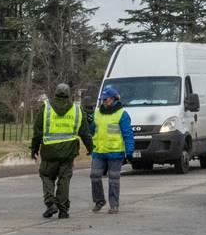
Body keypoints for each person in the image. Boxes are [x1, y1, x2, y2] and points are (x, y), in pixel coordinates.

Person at [31, 83, 94, 219]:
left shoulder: (46, 108)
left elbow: (37, 132)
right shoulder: (77, 110)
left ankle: (50, 203)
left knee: (47, 176)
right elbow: (85, 132)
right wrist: (90, 148)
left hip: (49, 151)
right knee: (64, 180)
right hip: (68, 151)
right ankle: (63, 210)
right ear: (69, 95)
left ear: (55, 94)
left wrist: (34, 149)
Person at [91, 86, 134, 214]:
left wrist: (130, 151)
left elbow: (128, 134)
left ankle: (114, 205)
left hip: (115, 152)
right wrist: (89, 123)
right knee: (94, 176)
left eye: (106, 99)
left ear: (114, 99)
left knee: (114, 178)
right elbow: (92, 130)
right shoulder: (97, 113)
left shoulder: (122, 114)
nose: (104, 101)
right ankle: (99, 200)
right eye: (103, 99)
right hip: (99, 151)